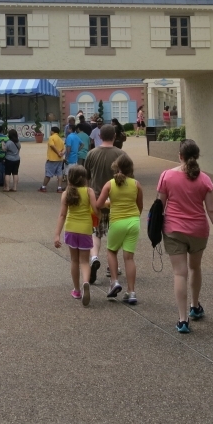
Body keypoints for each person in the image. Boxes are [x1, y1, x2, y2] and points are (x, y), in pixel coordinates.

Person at [156, 139, 213, 333]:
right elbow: (211, 210)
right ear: (196, 156)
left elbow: (160, 205)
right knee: (195, 267)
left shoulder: (167, 176)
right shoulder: (205, 180)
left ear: (180, 156)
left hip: (173, 230)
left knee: (180, 273)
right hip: (198, 230)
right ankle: (195, 306)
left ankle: (182, 319)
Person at [95, 153, 143, 304]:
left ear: (116, 167)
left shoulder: (110, 184)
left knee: (112, 251)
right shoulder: (136, 184)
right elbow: (140, 206)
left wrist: (110, 203)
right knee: (129, 258)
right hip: (133, 222)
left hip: (117, 222)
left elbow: (98, 204)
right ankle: (131, 292)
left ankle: (114, 281)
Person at [84, 124, 126, 284]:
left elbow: (86, 177)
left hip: (96, 199)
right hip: (115, 200)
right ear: (115, 136)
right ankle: (111, 266)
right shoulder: (121, 154)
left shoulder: (92, 154)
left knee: (96, 232)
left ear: (99, 136)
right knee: (114, 234)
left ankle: (94, 257)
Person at [54, 165, 97, 305]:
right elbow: (96, 209)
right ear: (84, 179)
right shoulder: (89, 191)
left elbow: (62, 215)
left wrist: (57, 235)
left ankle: (77, 290)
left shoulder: (66, 193)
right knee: (84, 261)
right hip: (85, 229)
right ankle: (86, 282)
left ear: (70, 178)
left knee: (74, 260)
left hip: (71, 230)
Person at [41, 126, 67, 193]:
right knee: (59, 173)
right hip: (60, 159)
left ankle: (43, 187)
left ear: (52, 131)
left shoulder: (51, 137)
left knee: (48, 173)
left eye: (51, 131)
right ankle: (59, 187)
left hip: (52, 159)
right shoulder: (60, 139)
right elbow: (64, 148)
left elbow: (52, 146)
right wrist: (61, 153)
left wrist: (58, 153)